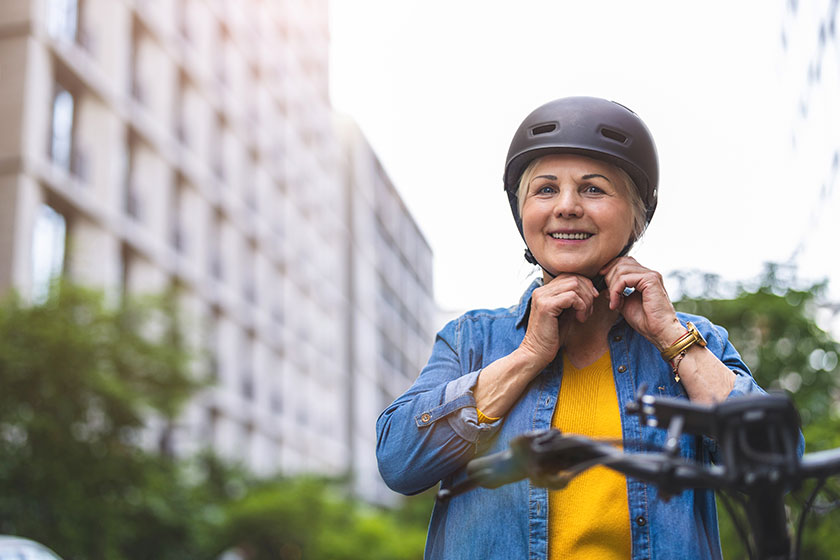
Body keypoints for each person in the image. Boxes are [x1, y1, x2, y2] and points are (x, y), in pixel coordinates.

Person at [375, 96, 765, 560]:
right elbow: (400, 463)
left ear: (637, 214)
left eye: (594, 189)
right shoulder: (472, 340)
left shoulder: (696, 339)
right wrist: (526, 357)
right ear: (522, 214)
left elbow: (771, 464)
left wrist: (671, 338)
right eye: (544, 190)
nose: (566, 207)